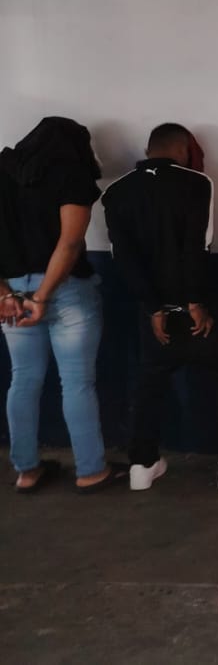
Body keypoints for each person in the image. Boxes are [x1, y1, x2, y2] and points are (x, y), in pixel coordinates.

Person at [102, 123, 218, 492]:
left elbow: (124, 257)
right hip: (197, 303)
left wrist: (154, 308)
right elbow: (195, 245)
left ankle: (142, 465)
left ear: (148, 149)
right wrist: (195, 301)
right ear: (183, 149)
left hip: (153, 310)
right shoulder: (196, 183)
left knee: (150, 381)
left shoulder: (116, 192)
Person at [0, 117, 120, 493]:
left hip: (13, 293)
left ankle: (26, 471)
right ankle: (91, 471)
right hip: (65, 290)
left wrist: (4, 295)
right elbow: (69, 244)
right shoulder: (71, 175)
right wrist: (43, 296)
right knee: (77, 382)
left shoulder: (1, 171)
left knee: (23, 379)